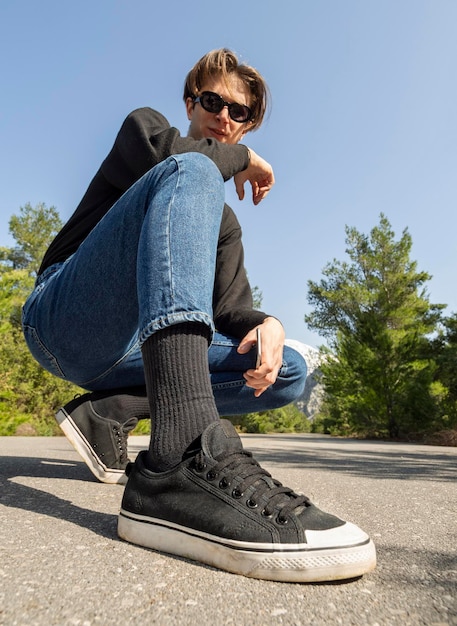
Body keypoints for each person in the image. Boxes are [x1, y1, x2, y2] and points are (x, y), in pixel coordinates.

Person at [22, 48, 376, 582]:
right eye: (213, 102)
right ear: (190, 102)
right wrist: (244, 157)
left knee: (289, 372)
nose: (225, 119)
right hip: (64, 322)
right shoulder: (148, 135)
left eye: (240, 114)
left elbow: (231, 309)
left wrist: (267, 324)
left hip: (137, 353)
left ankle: (112, 408)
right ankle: (181, 452)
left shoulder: (223, 225)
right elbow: (188, 160)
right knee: (191, 169)